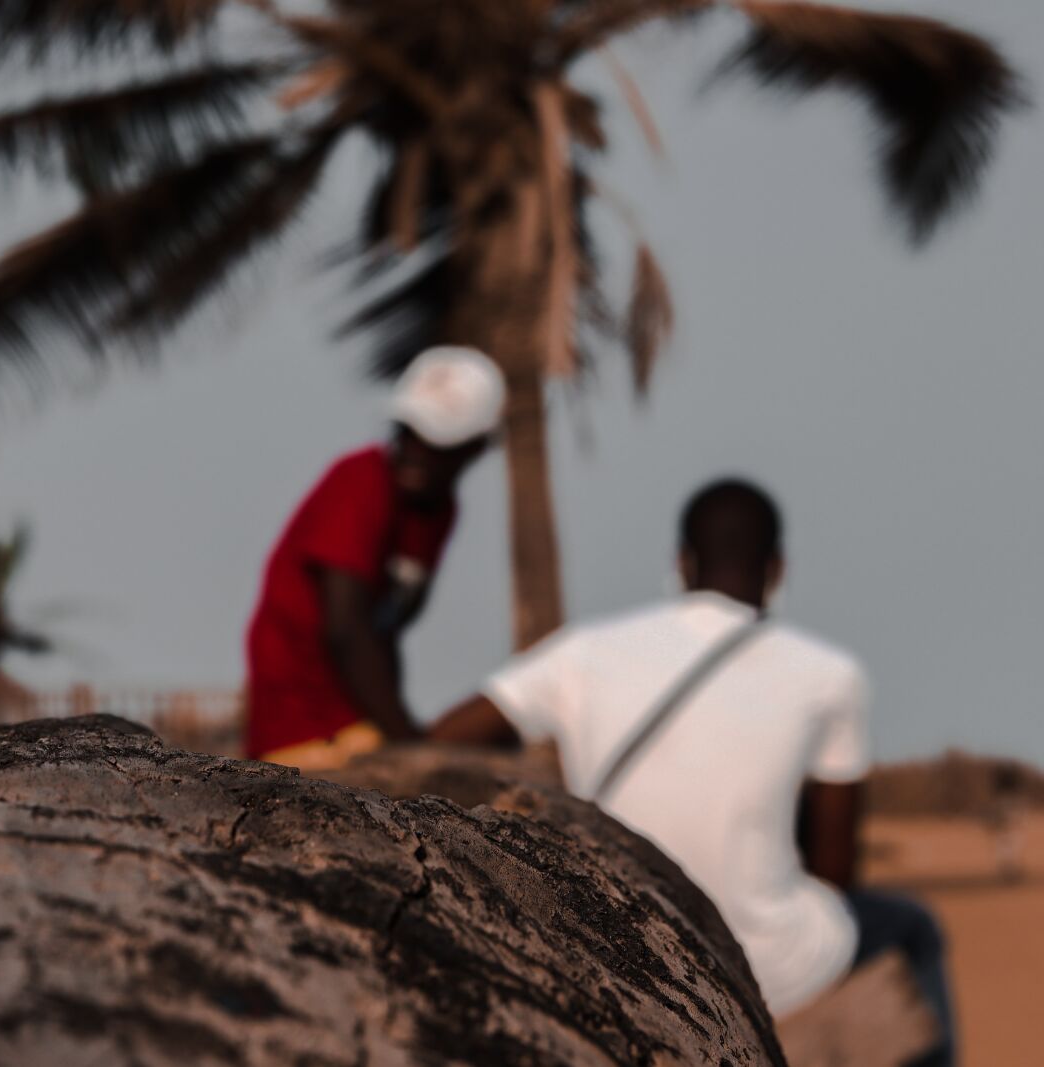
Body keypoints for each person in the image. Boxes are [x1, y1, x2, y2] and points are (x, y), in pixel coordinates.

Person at [431, 479, 955, 1063]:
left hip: (623, 949)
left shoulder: (582, 651)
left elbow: (445, 739)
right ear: (777, 568)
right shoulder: (830, 675)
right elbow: (836, 874)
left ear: (681, 563)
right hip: (771, 970)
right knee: (913, 927)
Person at [244, 346, 502, 770]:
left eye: (435, 440)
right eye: (407, 430)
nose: (414, 450)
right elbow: (347, 629)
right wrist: (407, 742)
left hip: (359, 722)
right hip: (306, 730)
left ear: (476, 448)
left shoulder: (438, 513)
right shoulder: (362, 482)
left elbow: (386, 629)